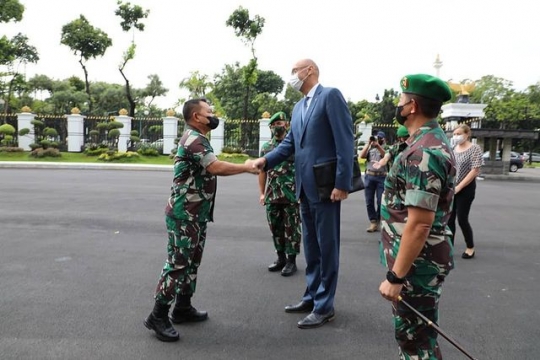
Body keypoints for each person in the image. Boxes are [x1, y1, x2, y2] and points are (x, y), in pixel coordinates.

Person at [144, 98, 259, 342]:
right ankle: (158, 315)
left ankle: (183, 307)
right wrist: (246, 167)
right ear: (197, 117)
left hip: (196, 213)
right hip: (184, 214)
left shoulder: (199, 137)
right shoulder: (193, 139)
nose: (213, 115)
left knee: (192, 262)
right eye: (209, 112)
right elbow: (215, 167)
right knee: (178, 264)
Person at [251, 59, 354, 329]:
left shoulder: (330, 96)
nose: (292, 75)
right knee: (311, 246)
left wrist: (342, 183)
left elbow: (345, 140)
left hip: (326, 186)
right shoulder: (297, 108)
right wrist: (266, 161)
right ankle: (311, 295)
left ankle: (325, 306)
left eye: (295, 70)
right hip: (303, 188)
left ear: (310, 70)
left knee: (327, 246)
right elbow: (289, 144)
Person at [378, 74, 456, 359]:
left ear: (412, 106)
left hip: (416, 266)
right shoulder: (426, 142)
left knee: (416, 342)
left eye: (400, 101)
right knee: (415, 337)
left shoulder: (422, 152)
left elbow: (420, 223)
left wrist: (395, 275)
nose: (397, 106)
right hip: (418, 261)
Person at [259, 111, 301, 276]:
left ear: (287, 125)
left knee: (292, 228)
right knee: (275, 227)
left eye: (280, 123)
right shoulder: (266, 148)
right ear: (270, 127)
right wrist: (262, 193)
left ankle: (292, 261)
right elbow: (263, 172)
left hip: (292, 194)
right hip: (273, 194)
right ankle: (280, 258)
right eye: (274, 124)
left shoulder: (295, 145)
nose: (278, 127)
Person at [448, 124, 483, 259]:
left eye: (459, 134)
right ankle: (449, 246)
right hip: (452, 188)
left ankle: (470, 247)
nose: (456, 136)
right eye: (454, 134)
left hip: (466, 189)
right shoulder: (453, 149)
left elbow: (475, 170)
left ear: (467, 134)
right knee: (449, 219)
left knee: (462, 218)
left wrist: (460, 187)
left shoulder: (474, 149)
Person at [359, 130, 387, 232]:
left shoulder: (386, 148)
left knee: (380, 201)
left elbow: (385, 156)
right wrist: (368, 144)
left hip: (381, 177)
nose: (377, 140)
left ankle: (378, 219)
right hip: (369, 176)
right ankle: (373, 221)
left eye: (379, 138)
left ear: (383, 139)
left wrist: (378, 146)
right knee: (369, 201)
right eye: (376, 138)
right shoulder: (370, 149)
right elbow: (361, 156)